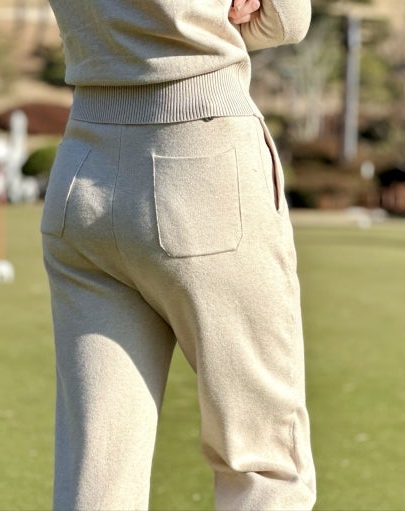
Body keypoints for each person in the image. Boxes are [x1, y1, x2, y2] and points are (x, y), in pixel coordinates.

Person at [41, 0, 316, 509]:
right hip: (203, 160)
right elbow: (287, 18)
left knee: (99, 469)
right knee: (262, 461)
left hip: (82, 168)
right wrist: (206, 21)